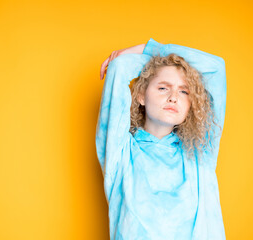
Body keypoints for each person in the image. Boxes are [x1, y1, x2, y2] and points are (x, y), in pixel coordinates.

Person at [95, 38, 226, 240]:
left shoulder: (199, 152)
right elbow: (120, 67)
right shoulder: (120, 153)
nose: (174, 97)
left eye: (184, 91)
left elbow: (216, 68)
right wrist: (153, 61)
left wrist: (149, 49)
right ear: (140, 95)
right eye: (163, 88)